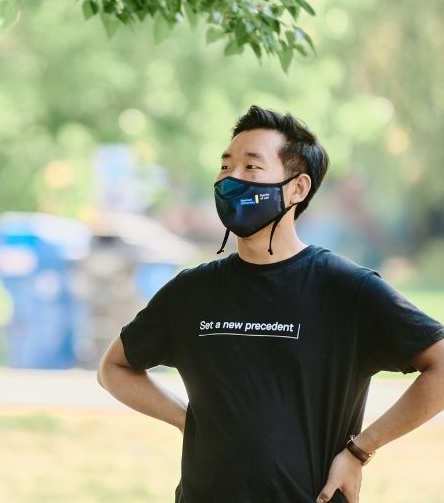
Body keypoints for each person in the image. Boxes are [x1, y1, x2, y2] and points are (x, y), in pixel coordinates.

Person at [97, 105, 444, 503]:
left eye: (251, 168)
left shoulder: (348, 290)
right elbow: (114, 369)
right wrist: (185, 418)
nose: (232, 180)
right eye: (226, 167)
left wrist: (360, 450)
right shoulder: (191, 291)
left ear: (297, 188)